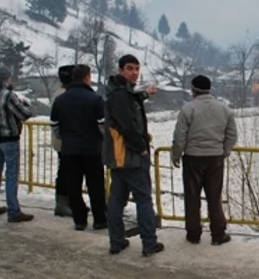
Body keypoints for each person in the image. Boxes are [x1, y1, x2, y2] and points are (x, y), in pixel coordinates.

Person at [104, 54, 164, 256]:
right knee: (143, 200)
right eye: (130, 68)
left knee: (117, 199)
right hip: (131, 156)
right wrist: (142, 147)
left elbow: (130, 100)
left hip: (118, 157)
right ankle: (149, 243)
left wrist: (145, 94)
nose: (134, 73)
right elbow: (128, 126)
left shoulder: (119, 91)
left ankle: (116, 241)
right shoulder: (120, 95)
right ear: (120, 70)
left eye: (137, 69)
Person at [172, 74, 237, 246]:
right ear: (209, 89)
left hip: (193, 159)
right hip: (215, 159)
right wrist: (224, 151)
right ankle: (218, 234)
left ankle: (193, 235)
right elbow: (232, 135)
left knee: (192, 198)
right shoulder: (224, 109)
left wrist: (176, 155)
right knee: (214, 198)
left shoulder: (187, 109)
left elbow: (179, 137)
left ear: (193, 90)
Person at [50, 64, 108, 231]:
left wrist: (66, 139)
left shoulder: (60, 100)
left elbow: (55, 125)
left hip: (69, 150)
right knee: (95, 185)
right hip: (92, 149)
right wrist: (99, 140)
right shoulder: (95, 99)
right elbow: (102, 125)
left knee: (73, 186)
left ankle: (79, 220)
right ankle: (99, 219)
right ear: (87, 78)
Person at [0, 66, 34, 222]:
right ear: (7, 78)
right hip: (9, 139)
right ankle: (14, 211)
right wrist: (25, 103)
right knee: (11, 174)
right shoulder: (8, 95)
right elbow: (24, 114)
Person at [51, 64, 74, 217]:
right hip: (66, 141)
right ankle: (63, 203)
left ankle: (67, 201)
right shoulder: (65, 95)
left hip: (62, 141)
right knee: (66, 172)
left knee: (66, 171)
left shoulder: (58, 93)